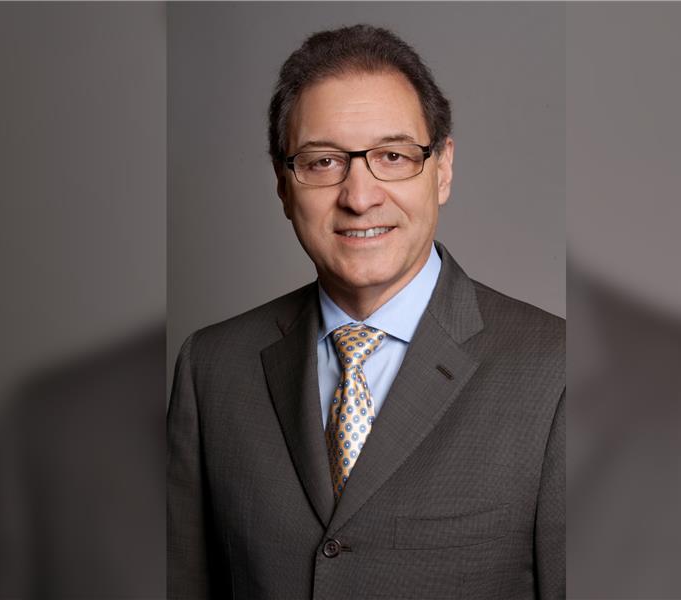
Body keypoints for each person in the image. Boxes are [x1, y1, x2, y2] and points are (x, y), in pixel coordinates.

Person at [168, 24, 564, 600]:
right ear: (284, 184)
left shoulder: (556, 372)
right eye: (323, 162)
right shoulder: (211, 367)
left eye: (393, 156)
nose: (359, 196)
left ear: (443, 168)